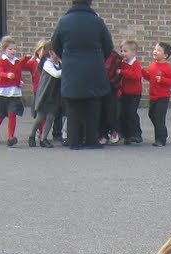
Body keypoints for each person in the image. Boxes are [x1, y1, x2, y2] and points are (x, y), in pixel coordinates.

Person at [51, 0, 115, 150]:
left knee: (73, 106)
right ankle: (91, 140)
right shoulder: (97, 22)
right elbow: (108, 45)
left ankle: (74, 141)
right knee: (93, 105)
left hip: (72, 70)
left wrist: (67, 58)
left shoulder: (64, 21)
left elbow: (55, 44)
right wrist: (98, 59)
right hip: (94, 69)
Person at [0, 37, 36, 146]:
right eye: (10, 49)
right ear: (4, 50)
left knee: (12, 114)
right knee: (0, 115)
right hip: (3, 92)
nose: (13, 51)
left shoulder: (17, 61)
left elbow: (18, 73)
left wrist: (20, 81)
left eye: (14, 49)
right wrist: (7, 75)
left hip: (14, 92)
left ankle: (11, 137)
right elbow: (0, 72)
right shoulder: (2, 61)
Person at [145, 41, 171, 147]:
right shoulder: (152, 65)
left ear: (165, 55)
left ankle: (160, 139)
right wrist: (141, 72)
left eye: (158, 50)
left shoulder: (167, 67)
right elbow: (150, 77)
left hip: (163, 96)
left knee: (159, 117)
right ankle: (163, 132)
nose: (155, 51)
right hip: (153, 95)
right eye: (155, 49)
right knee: (152, 115)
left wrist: (162, 79)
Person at [30, 41, 62, 147]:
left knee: (50, 117)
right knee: (41, 117)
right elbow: (56, 74)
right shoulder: (47, 63)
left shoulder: (59, 63)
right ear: (51, 52)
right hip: (45, 95)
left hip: (54, 95)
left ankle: (44, 139)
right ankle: (31, 136)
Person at [117, 40, 145, 144]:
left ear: (133, 52)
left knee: (132, 113)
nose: (123, 53)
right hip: (125, 92)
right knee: (123, 113)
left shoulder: (136, 64)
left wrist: (122, 72)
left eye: (125, 51)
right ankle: (126, 135)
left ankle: (137, 134)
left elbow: (136, 76)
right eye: (122, 51)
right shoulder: (122, 63)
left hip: (134, 93)